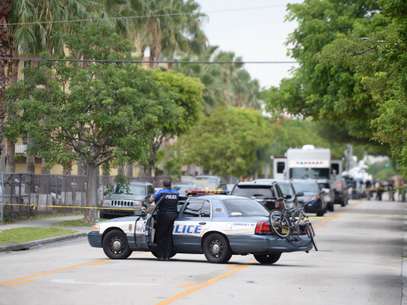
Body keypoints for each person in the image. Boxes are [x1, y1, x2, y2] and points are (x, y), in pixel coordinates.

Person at [153, 179, 179, 260]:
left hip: (163, 216)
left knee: (160, 235)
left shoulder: (161, 192)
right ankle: (167, 256)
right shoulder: (176, 193)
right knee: (168, 236)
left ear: (163, 185)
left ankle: (161, 255)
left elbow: (152, 199)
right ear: (171, 185)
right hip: (173, 216)